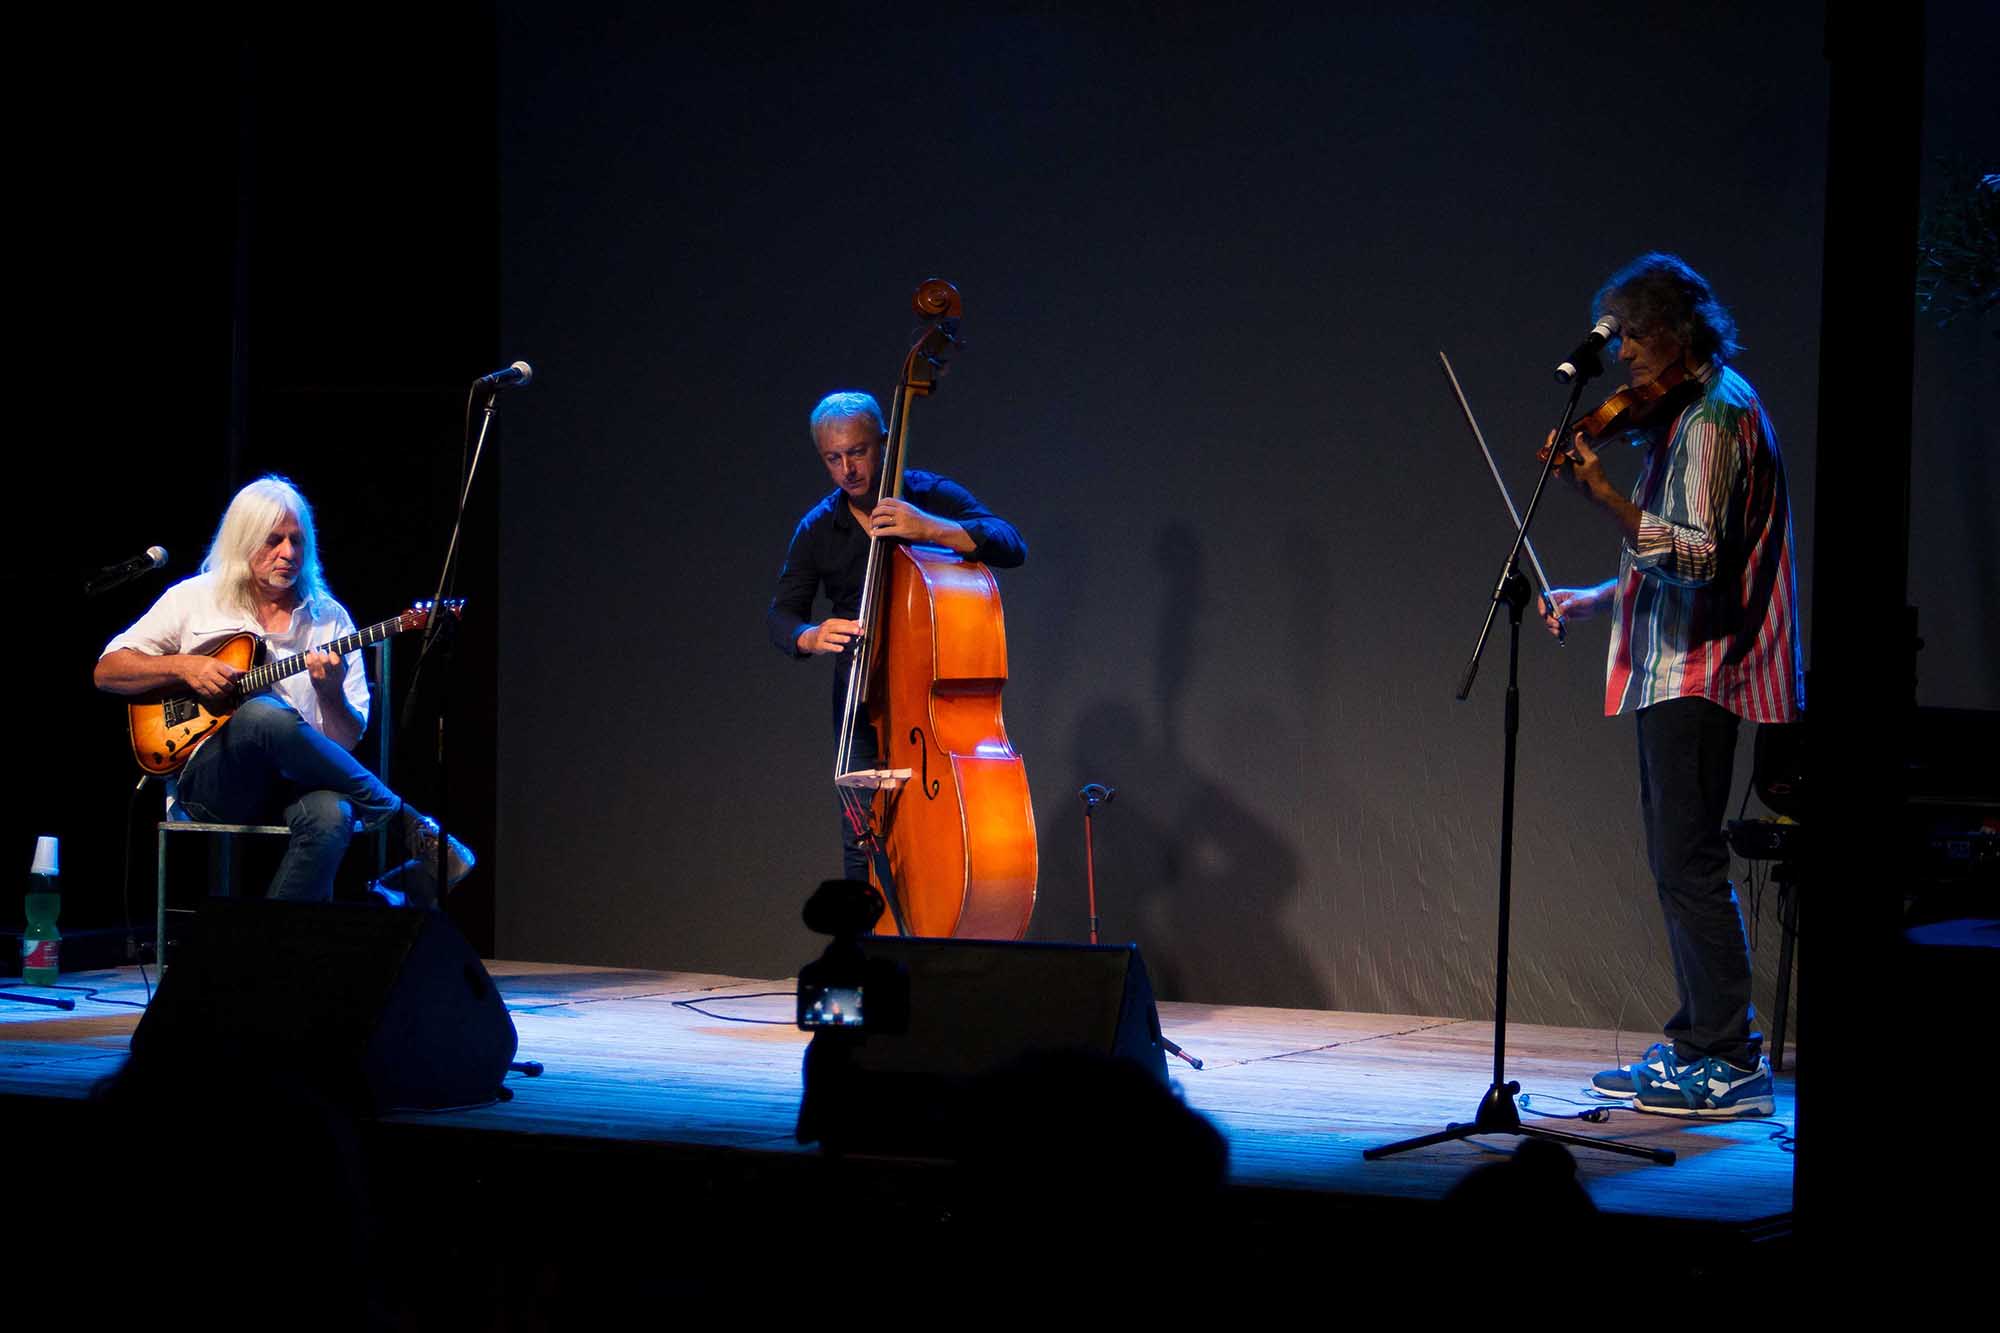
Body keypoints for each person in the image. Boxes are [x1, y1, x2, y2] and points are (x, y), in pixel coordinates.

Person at [1541, 254, 1802, 1119]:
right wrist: (1597, 597)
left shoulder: (1716, 417)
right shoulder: (1684, 414)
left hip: (1704, 668)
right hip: (1673, 663)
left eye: (1636, 338)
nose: (1625, 362)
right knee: (1675, 860)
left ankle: (1728, 1055)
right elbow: (1672, 557)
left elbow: (1699, 558)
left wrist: (1606, 497)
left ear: (1677, 333)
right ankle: (1701, 1040)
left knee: (1689, 861)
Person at [95, 475, 472, 907]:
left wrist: (330, 694)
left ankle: (267, 956)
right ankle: (404, 819)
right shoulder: (193, 599)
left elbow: (344, 747)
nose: (288, 553)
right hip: (216, 784)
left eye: (297, 541)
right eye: (273, 540)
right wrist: (185, 665)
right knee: (260, 713)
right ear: (243, 540)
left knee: (334, 816)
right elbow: (107, 672)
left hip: (299, 787)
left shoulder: (329, 618)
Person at [766, 390, 1026, 886]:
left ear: (884, 444)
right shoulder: (819, 527)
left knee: (942, 845)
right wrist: (810, 635)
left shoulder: (927, 495)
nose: (848, 470)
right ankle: (869, 955)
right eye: (833, 458)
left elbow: (1011, 544)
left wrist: (932, 528)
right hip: (862, 709)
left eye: (857, 452)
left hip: (932, 716)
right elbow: (781, 615)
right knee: (863, 847)